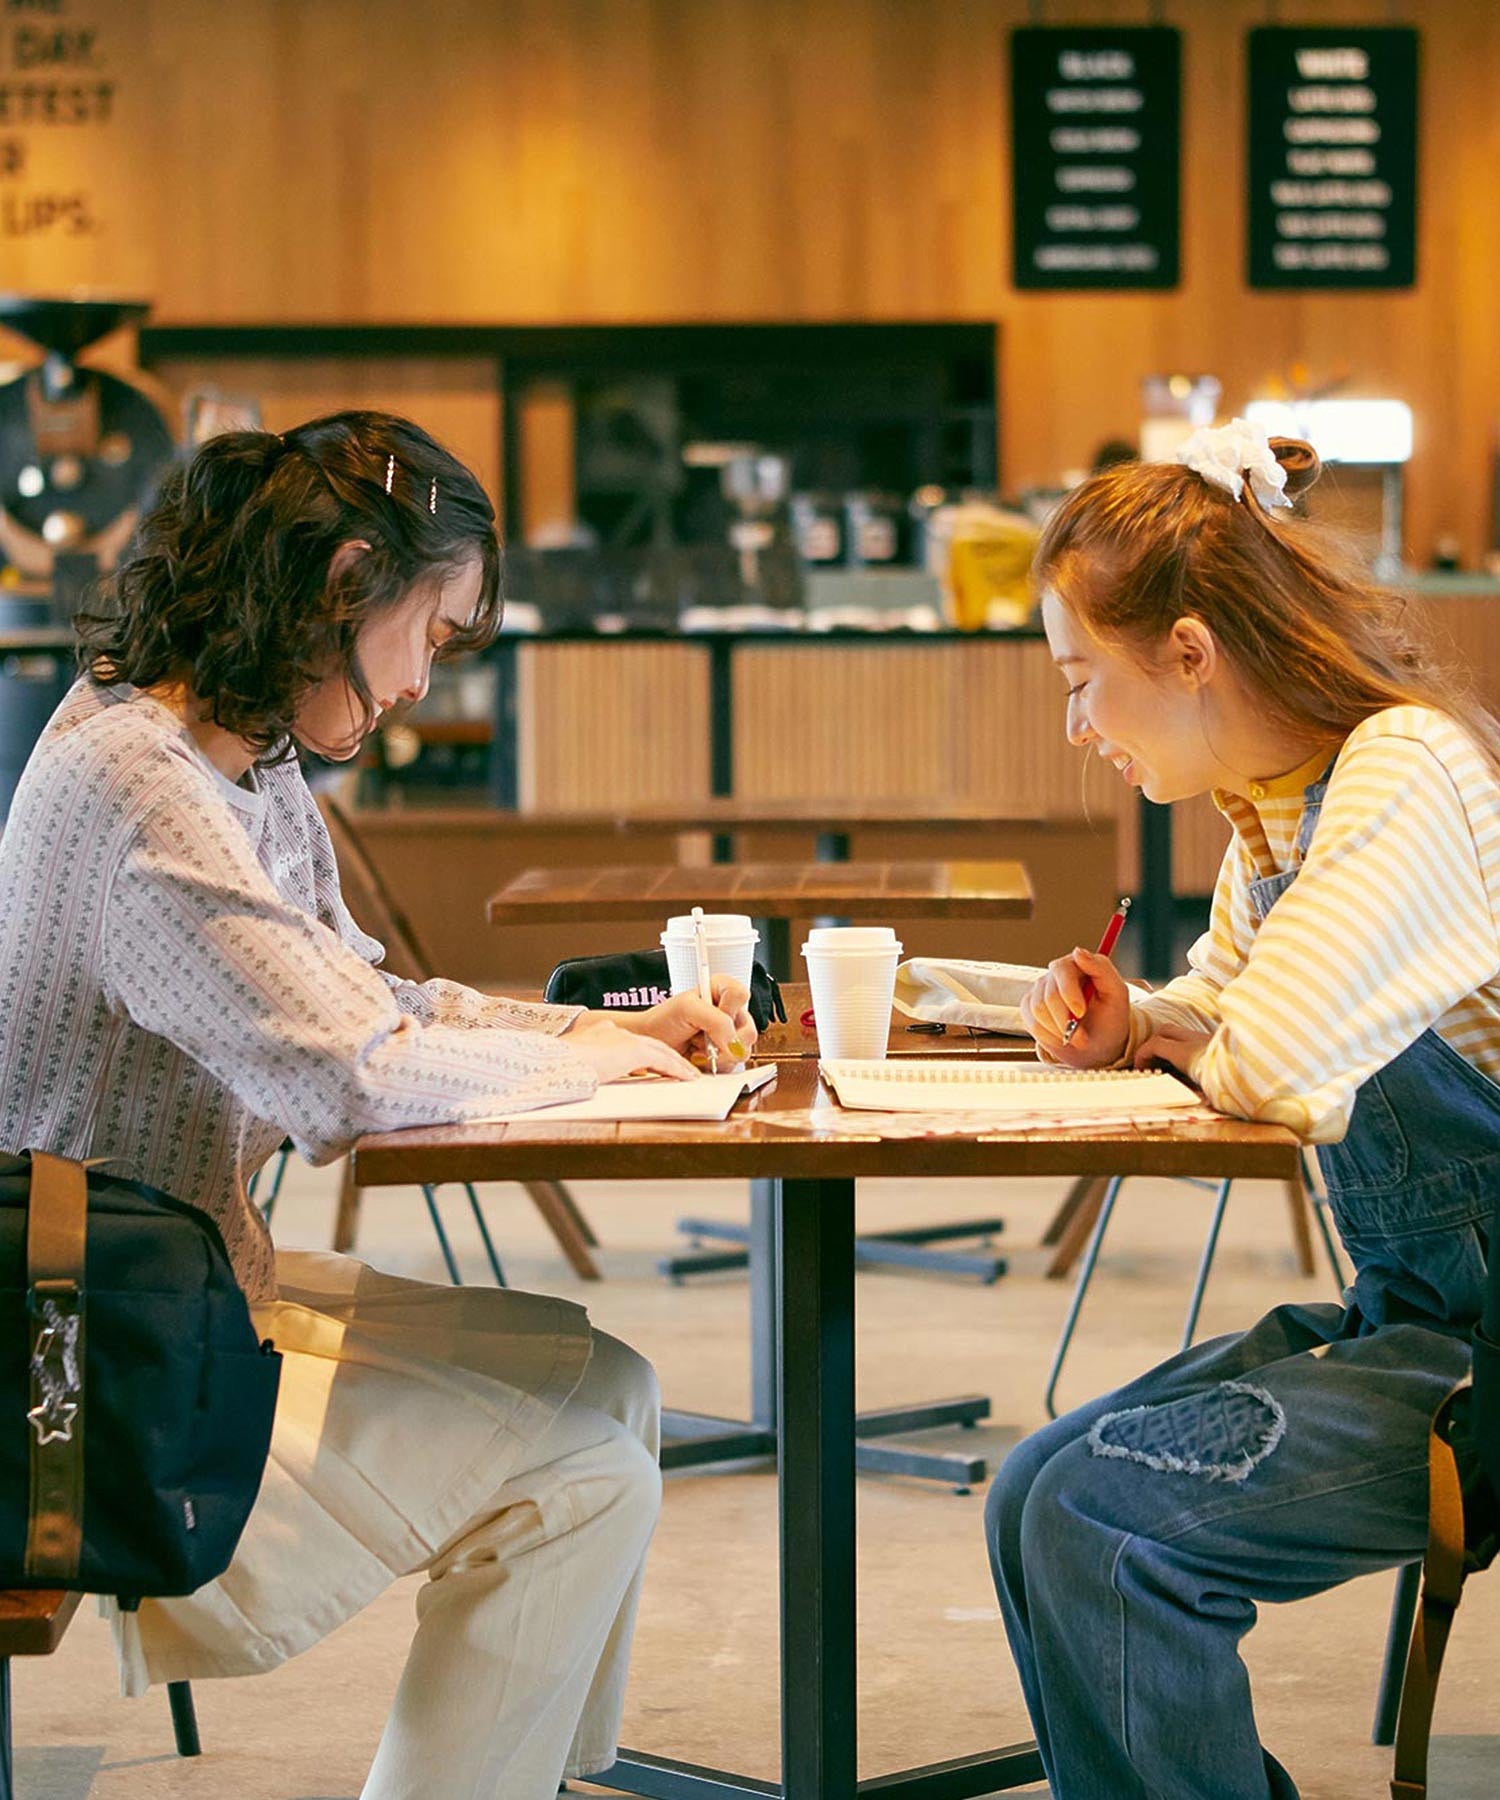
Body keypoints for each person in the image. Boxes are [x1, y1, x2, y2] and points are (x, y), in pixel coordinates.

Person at [0, 410, 757, 1800]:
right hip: (74, 1371)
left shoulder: (242, 760)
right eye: (432, 630)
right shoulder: (139, 786)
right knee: (584, 1476)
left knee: (616, 1389)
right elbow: (345, 1078)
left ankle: (517, 1779)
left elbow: (375, 1001)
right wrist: (605, 1066)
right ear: (345, 583)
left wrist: (601, 1029)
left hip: (172, 1292)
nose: (422, 681)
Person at [986, 417, 1498, 1798]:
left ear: (1192, 653)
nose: (1079, 722)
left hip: (1488, 1364)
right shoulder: (1276, 811)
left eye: (1085, 680)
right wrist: (1143, 1019)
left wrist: (1199, 1028)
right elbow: (1236, 994)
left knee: (1103, 1526)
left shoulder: (1401, 772)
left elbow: (1272, 1061)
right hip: (1426, 1321)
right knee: (1033, 1491)